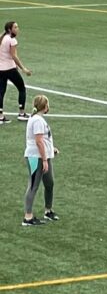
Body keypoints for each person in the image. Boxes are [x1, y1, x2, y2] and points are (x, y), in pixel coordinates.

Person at [22, 95, 58, 227]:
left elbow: (44, 140)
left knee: (49, 183)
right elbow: (38, 141)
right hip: (35, 157)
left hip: (42, 156)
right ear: (45, 106)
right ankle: (28, 217)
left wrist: (51, 149)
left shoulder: (38, 119)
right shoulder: (37, 121)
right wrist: (44, 160)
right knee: (33, 185)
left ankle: (48, 211)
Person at [0, 21, 33, 124]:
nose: (17, 29)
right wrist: (23, 69)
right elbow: (14, 56)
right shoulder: (12, 40)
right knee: (21, 88)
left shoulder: (2, 38)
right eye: (15, 27)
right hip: (9, 69)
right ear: (10, 29)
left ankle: (0, 116)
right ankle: (21, 113)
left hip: (1, 69)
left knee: (1, 92)